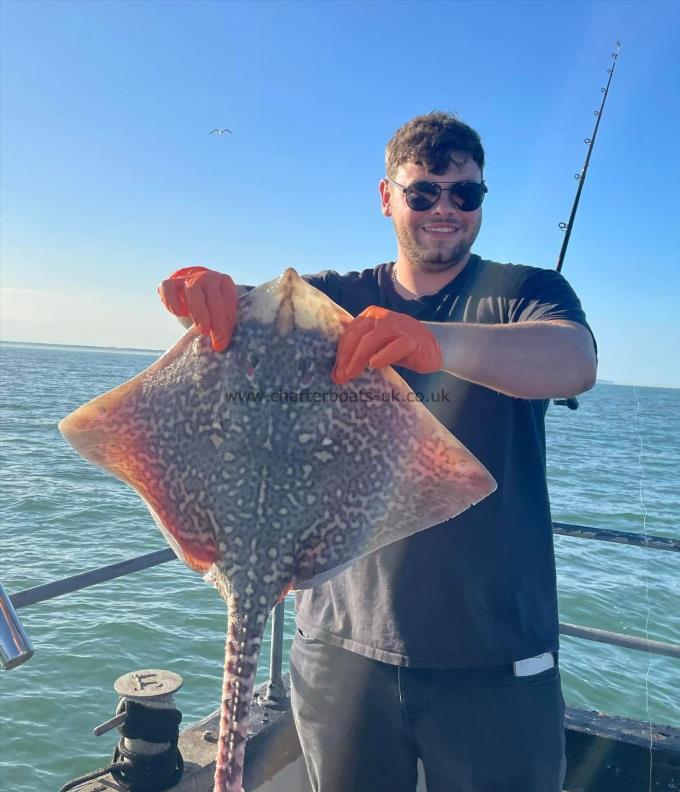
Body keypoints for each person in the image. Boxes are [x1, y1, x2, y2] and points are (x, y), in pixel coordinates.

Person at [158, 111, 597, 792]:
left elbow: (573, 361)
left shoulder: (525, 293)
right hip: (339, 650)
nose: (444, 209)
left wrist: (435, 343)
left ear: (482, 199)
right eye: (423, 192)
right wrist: (202, 296)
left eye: (465, 193)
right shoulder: (331, 301)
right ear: (387, 197)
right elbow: (230, 337)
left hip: (495, 652)